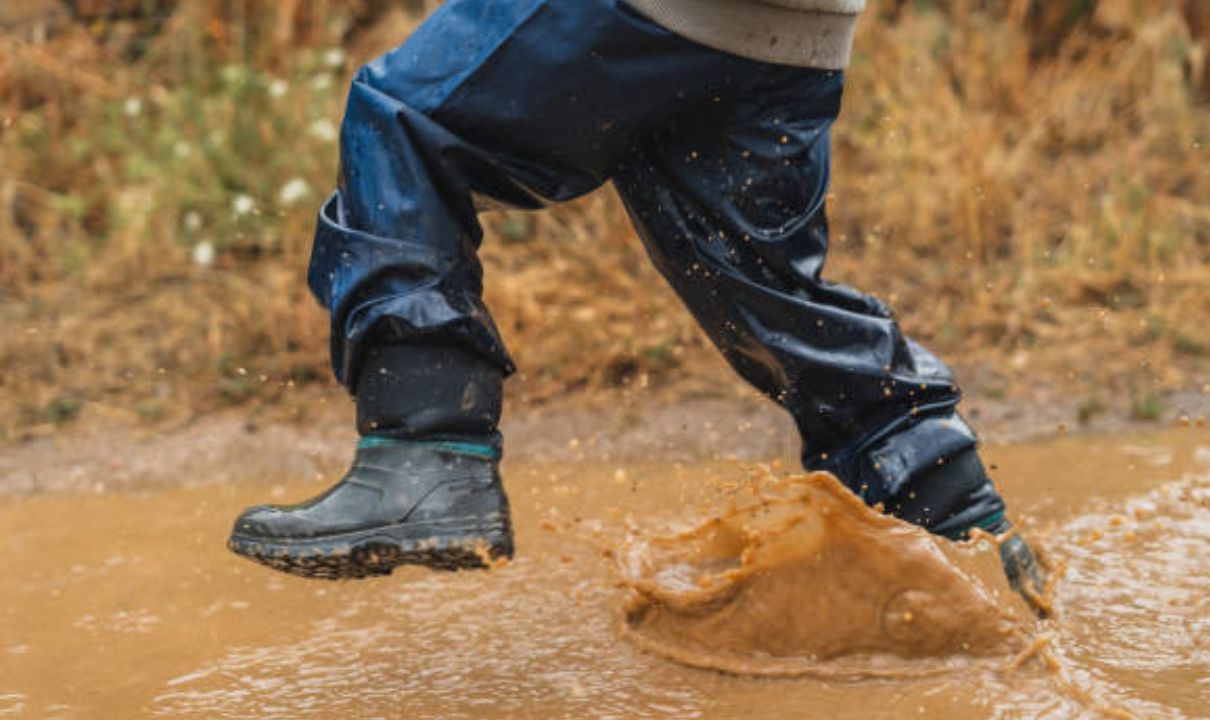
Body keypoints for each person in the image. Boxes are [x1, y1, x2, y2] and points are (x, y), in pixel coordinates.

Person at [227, 0, 1044, 603]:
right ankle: (967, 530)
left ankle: (426, 454)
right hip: (797, 29)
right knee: (774, 303)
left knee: (403, 119)